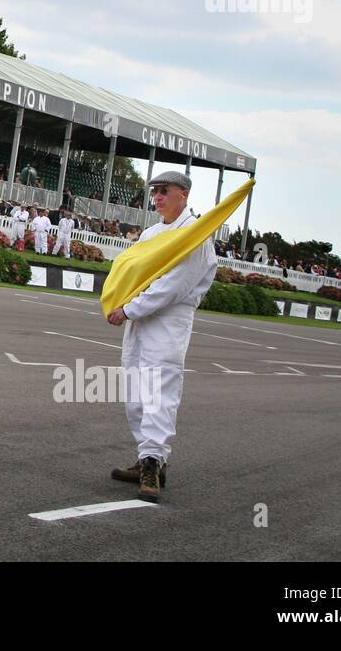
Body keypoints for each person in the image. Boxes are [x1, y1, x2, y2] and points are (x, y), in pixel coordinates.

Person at [104, 170, 218, 503]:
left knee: (159, 392)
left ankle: (155, 461)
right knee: (136, 392)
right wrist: (121, 300)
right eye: (154, 192)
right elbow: (134, 272)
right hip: (139, 320)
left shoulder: (196, 235)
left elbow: (172, 287)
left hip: (167, 322)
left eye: (163, 191)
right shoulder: (153, 233)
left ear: (183, 194)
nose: (157, 198)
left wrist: (128, 309)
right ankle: (146, 458)